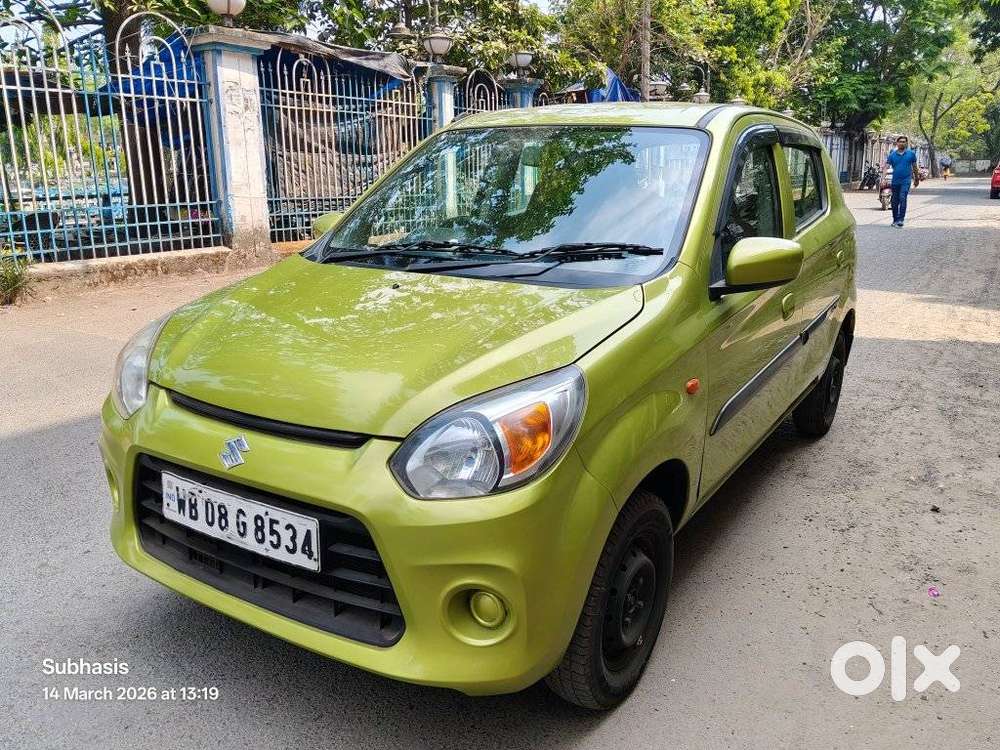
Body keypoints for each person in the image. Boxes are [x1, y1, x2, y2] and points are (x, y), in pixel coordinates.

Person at [885, 136, 919, 227]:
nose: (902, 143)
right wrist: (883, 178)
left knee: (902, 197)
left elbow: (914, 167)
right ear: (897, 143)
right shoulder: (892, 155)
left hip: (906, 180)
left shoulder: (911, 154)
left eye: (904, 142)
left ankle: (901, 219)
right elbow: (886, 166)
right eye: (900, 141)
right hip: (895, 181)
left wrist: (916, 179)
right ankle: (895, 219)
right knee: (894, 201)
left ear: (906, 143)